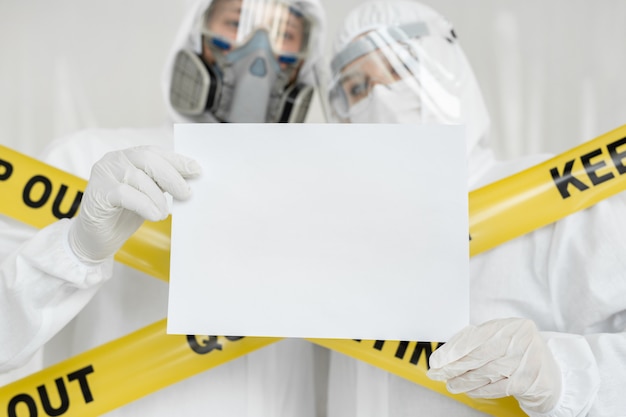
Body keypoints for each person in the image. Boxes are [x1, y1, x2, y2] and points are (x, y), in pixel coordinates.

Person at [0, 0, 326, 415]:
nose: (258, 50)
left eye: (283, 34)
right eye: (236, 23)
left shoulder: (315, 193)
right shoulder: (87, 162)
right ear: (196, 38)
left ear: (303, 66)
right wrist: (74, 248)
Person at [323, 1, 626, 416]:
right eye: (357, 88)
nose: (381, 98)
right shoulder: (340, 253)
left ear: (449, 68)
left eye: (399, 67)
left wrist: (562, 375)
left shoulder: (556, 202)